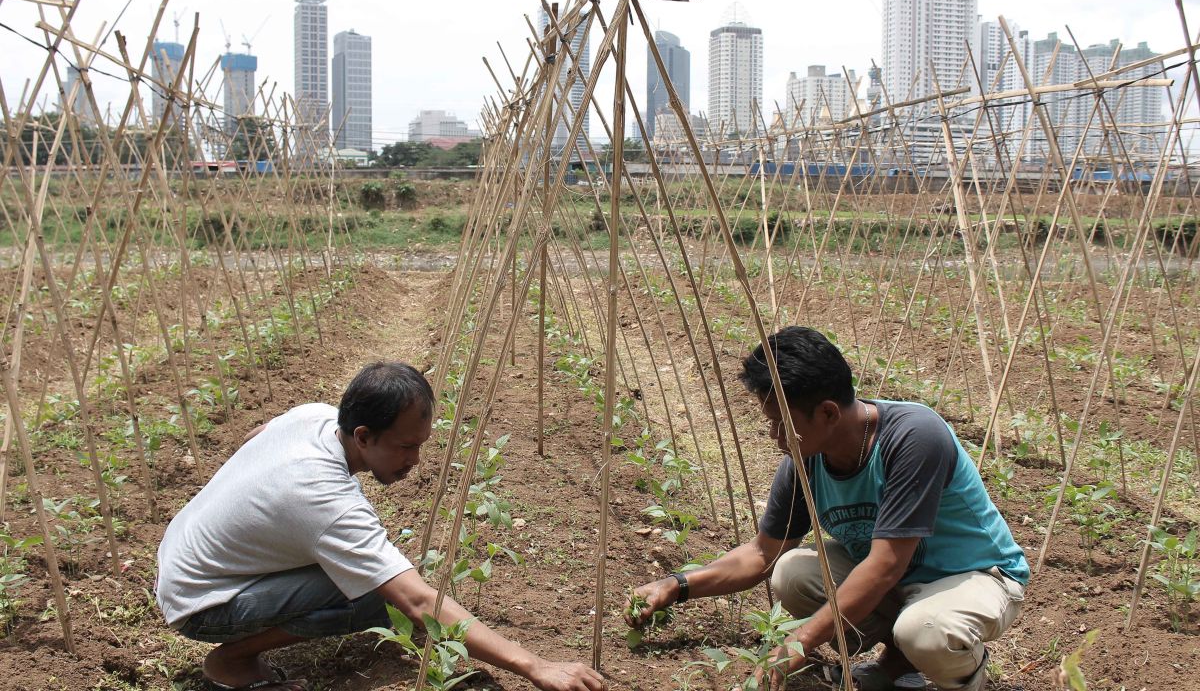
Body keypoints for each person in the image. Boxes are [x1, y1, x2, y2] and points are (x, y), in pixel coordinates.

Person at [156, 361, 605, 691]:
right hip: (203, 602)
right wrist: (534, 665)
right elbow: (415, 599)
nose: (415, 460)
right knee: (377, 598)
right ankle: (231, 659)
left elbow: (259, 434)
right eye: (406, 446)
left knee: (359, 576)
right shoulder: (325, 501)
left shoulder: (312, 416)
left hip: (184, 556)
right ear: (363, 436)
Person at [625, 327, 1027, 691]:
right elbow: (763, 553)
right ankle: (897, 664)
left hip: (972, 576)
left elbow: (885, 565)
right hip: (898, 584)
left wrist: (799, 641)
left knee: (927, 630)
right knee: (792, 572)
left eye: (782, 422)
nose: (775, 436)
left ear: (829, 412)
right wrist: (676, 585)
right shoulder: (806, 460)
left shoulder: (914, 436)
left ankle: (964, 675)